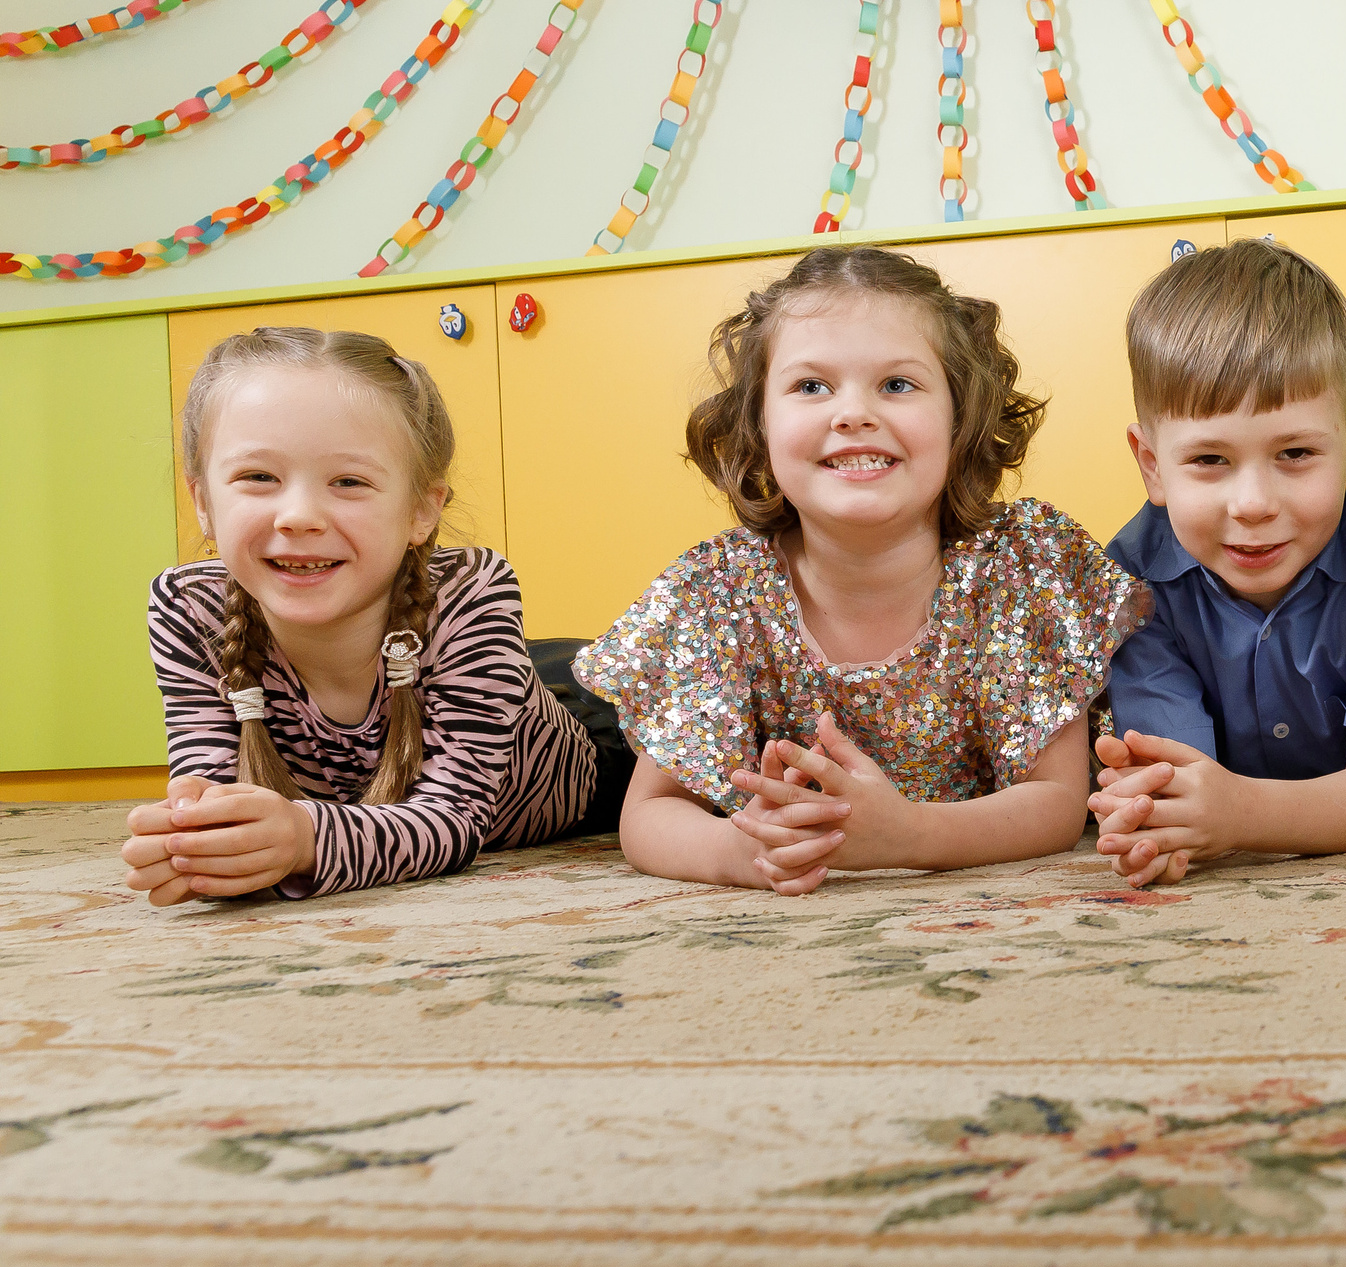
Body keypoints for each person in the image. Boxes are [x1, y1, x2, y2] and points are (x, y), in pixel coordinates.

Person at [576, 246, 1143, 892]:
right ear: (759, 422)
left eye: (897, 384)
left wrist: (910, 835)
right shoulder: (719, 589)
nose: (852, 413)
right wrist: (739, 849)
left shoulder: (1016, 569)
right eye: (810, 386)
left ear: (960, 416)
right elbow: (648, 811)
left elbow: (1056, 801)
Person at [124, 328, 623, 903]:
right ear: (203, 504)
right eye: (258, 477)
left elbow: (451, 820)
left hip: (584, 725)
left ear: (420, 512)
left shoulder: (473, 588)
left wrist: (304, 838)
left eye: (349, 481)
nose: (299, 516)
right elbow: (208, 782)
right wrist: (194, 839)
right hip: (432, 669)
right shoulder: (189, 606)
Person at [1086, 239, 1346, 888]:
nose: (1253, 504)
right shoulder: (1131, 583)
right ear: (1152, 465)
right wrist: (1156, 823)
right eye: (1210, 460)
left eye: (1294, 453)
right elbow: (1178, 779)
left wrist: (1235, 813)